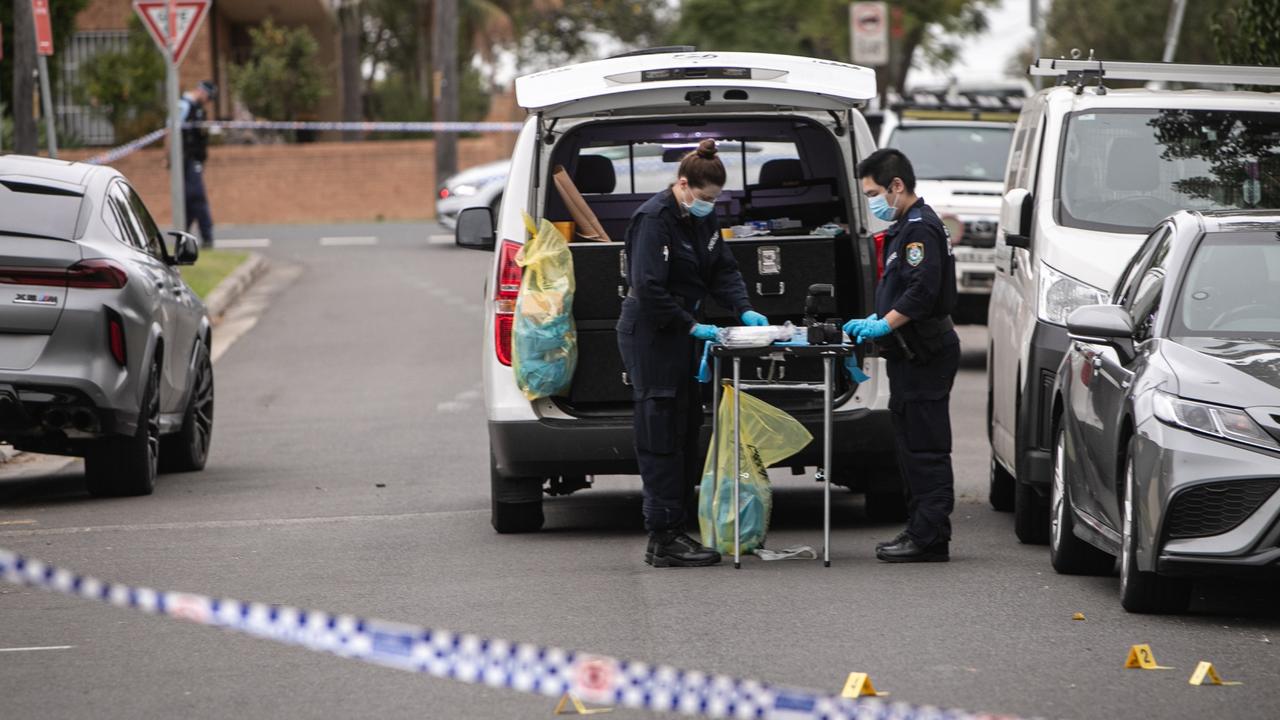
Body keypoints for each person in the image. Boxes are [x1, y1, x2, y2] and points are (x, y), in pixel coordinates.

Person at [617, 139, 770, 568]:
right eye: (705, 198)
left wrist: (744, 308)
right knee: (661, 432)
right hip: (653, 333)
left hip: (685, 335)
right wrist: (690, 325)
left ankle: (678, 528)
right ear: (682, 185)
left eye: (716, 200)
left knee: (685, 431)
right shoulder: (654, 219)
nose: (710, 205)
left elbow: (722, 267)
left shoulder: (702, 219)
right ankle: (663, 536)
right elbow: (648, 288)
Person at [845, 148, 959, 563]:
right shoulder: (903, 228)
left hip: (925, 350)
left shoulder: (920, 229)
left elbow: (922, 292)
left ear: (897, 186)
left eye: (874, 192)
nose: (872, 200)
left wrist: (883, 324)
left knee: (925, 446)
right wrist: (875, 318)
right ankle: (921, 528)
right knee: (910, 445)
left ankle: (930, 538)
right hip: (911, 353)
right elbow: (900, 289)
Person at [179, 80, 217, 248]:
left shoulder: (198, 108)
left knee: (189, 199)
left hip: (194, 159)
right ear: (202, 91)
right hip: (187, 159)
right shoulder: (184, 105)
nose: (208, 101)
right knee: (196, 196)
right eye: (208, 97)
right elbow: (170, 131)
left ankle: (183, 239)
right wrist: (167, 157)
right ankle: (206, 235)